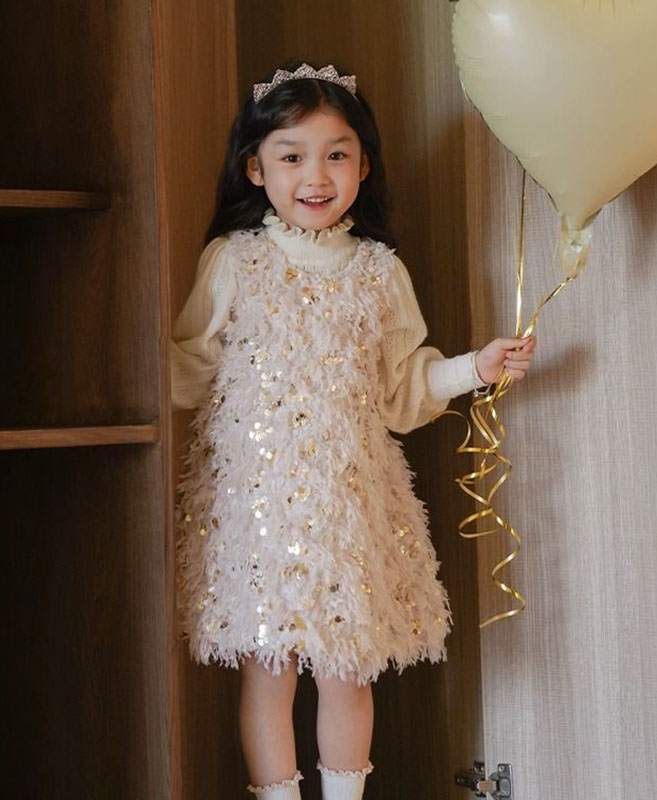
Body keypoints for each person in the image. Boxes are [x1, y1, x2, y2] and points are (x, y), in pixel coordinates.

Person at [170, 59, 537, 800]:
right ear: (255, 168)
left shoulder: (377, 271)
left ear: (363, 166)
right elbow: (188, 365)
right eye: (292, 156)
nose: (316, 175)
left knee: (348, 668)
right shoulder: (234, 261)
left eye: (336, 154)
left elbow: (401, 390)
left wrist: (476, 367)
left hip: (350, 501)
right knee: (269, 667)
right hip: (256, 506)